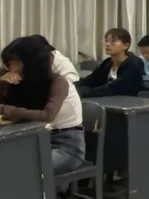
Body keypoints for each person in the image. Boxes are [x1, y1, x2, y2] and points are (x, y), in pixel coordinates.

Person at [0, 37, 85, 174]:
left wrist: (4, 109)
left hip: (65, 146)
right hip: (30, 141)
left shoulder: (58, 82)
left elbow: (47, 116)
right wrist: (2, 83)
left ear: (32, 63)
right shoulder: (20, 82)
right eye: (9, 64)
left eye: (16, 64)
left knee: (16, 168)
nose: (12, 69)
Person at [76, 28, 144, 97]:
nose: (108, 44)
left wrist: (85, 92)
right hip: (106, 100)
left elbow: (115, 88)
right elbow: (91, 80)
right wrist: (72, 87)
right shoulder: (107, 63)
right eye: (106, 41)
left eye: (113, 41)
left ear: (125, 45)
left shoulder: (133, 66)